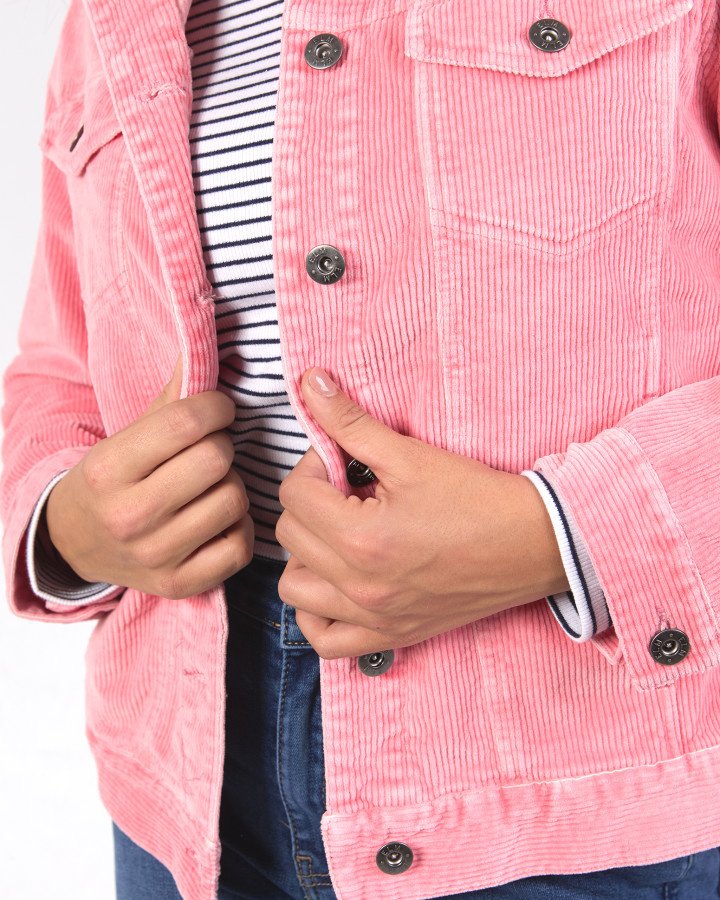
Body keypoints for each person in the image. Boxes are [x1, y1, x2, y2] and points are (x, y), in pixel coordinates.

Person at [4, 0, 720, 897]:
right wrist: (65, 525)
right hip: (186, 786)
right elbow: (59, 366)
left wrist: (561, 534)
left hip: (581, 789)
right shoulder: (106, 17)